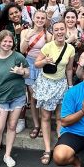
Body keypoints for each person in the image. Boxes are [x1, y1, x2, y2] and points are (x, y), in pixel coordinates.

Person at [0, 31, 30, 167]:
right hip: (0, 99)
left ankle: (7, 155)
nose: (7, 44)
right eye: (4, 41)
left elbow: (28, 72)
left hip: (18, 96)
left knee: (12, 126)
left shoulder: (18, 57)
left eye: (10, 41)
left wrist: (21, 72)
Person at [33, 22, 75, 165]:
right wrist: (44, 61)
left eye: (61, 29)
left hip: (61, 84)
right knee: (45, 117)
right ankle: (47, 149)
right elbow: (36, 64)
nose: (59, 32)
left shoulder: (70, 48)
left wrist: (70, 86)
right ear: (53, 31)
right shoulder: (47, 46)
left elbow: (69, 69)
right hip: (46, 84)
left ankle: (59, 145)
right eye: (56, 29)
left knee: (60, 117)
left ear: (65, 30)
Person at [19, 10, 52, 138]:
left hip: (42, 64)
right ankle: (36, 124)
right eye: (37, 17)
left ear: (45, 20)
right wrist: (29, 36)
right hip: (29, 63)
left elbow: (49, 52)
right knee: (33, 96)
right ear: (33, 18)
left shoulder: (48, 35)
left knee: (42, 96)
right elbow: (22, 50)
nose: (39, 20)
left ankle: (44, 124)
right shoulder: (25, 32)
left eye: (42, 18)